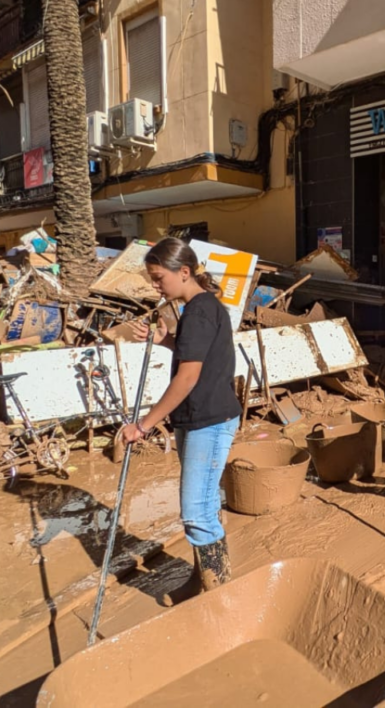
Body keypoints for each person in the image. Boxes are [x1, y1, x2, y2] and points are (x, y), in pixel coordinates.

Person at [122, 237, 241, 592]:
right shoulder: (197, 310)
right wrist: (165, 342)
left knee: (196, 512)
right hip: (197, 418)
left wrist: (144, 425)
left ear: (184, 272)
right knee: (203, 504)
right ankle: (201, 578)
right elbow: (198, 353)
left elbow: (187, 377)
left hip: (210, 420)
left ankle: (218, 590)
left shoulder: (201, 311)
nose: (155, 286)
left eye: (159, 278)